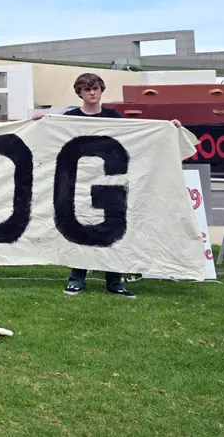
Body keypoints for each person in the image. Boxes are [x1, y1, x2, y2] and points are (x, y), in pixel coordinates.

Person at [33, 72, 142, 298]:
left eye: (95, 89)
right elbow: (51, 131)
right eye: (87, 90)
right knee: (79, 231)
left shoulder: (114, 117)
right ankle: (76, 279)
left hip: (111, 183)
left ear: (101, 91)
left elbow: (139, 132)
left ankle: (115, 282)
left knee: (114, 231)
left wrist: (169, 127)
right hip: (78, 184)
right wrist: (37, 123)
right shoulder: (71, 117)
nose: (92, 93)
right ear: (80, 93)